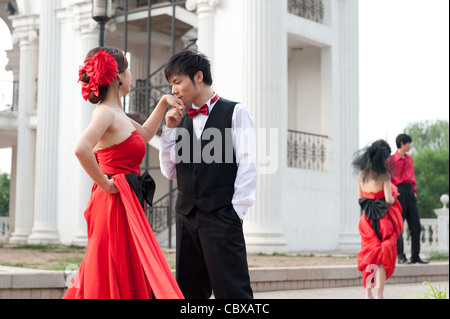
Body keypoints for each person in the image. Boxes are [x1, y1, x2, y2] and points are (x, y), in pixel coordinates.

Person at [64, 47, 184, 299]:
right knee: (111, 263)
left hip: (127, 200)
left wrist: (163, 103)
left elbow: (146, 135)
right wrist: (106, 185)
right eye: (128, 69)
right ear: (118, 76)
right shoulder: (106, 113)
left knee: (128, 263)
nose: (131, 74)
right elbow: (81, 148)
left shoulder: (118, 115)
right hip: (112, 202)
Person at [159, 50, 258, 299]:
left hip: (222, 215)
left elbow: (248, 165)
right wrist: (169, 132)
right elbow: (169, 171)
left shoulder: (235, 112)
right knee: (189, 293)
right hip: (186, 216)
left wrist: (237, 212)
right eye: (172, 84)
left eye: (177, 82)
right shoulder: (178, 120)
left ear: (198, 76)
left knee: (233, 292)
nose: (174, 90)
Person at [352, 139, 404, 299]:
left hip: (367, 219)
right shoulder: (385, 176)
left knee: (370, 255)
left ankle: (368, 293)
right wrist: (396, 199)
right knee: (383, 256)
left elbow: (360, 198)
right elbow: (388, 199)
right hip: (383, 220)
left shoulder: (361, 174)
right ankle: (380, 294)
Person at [389, 134, 429, 264]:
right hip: (398, 193)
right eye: (408, 143)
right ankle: (401, 256)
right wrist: (394, 194)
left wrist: (414, 192)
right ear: (402, 143)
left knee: (416, 225)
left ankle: (415, 256)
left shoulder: (409, 158)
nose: (410, 146)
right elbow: (388, 179)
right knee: (398, 226)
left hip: (410, 193)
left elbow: (412, 176)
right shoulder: (391, 160)